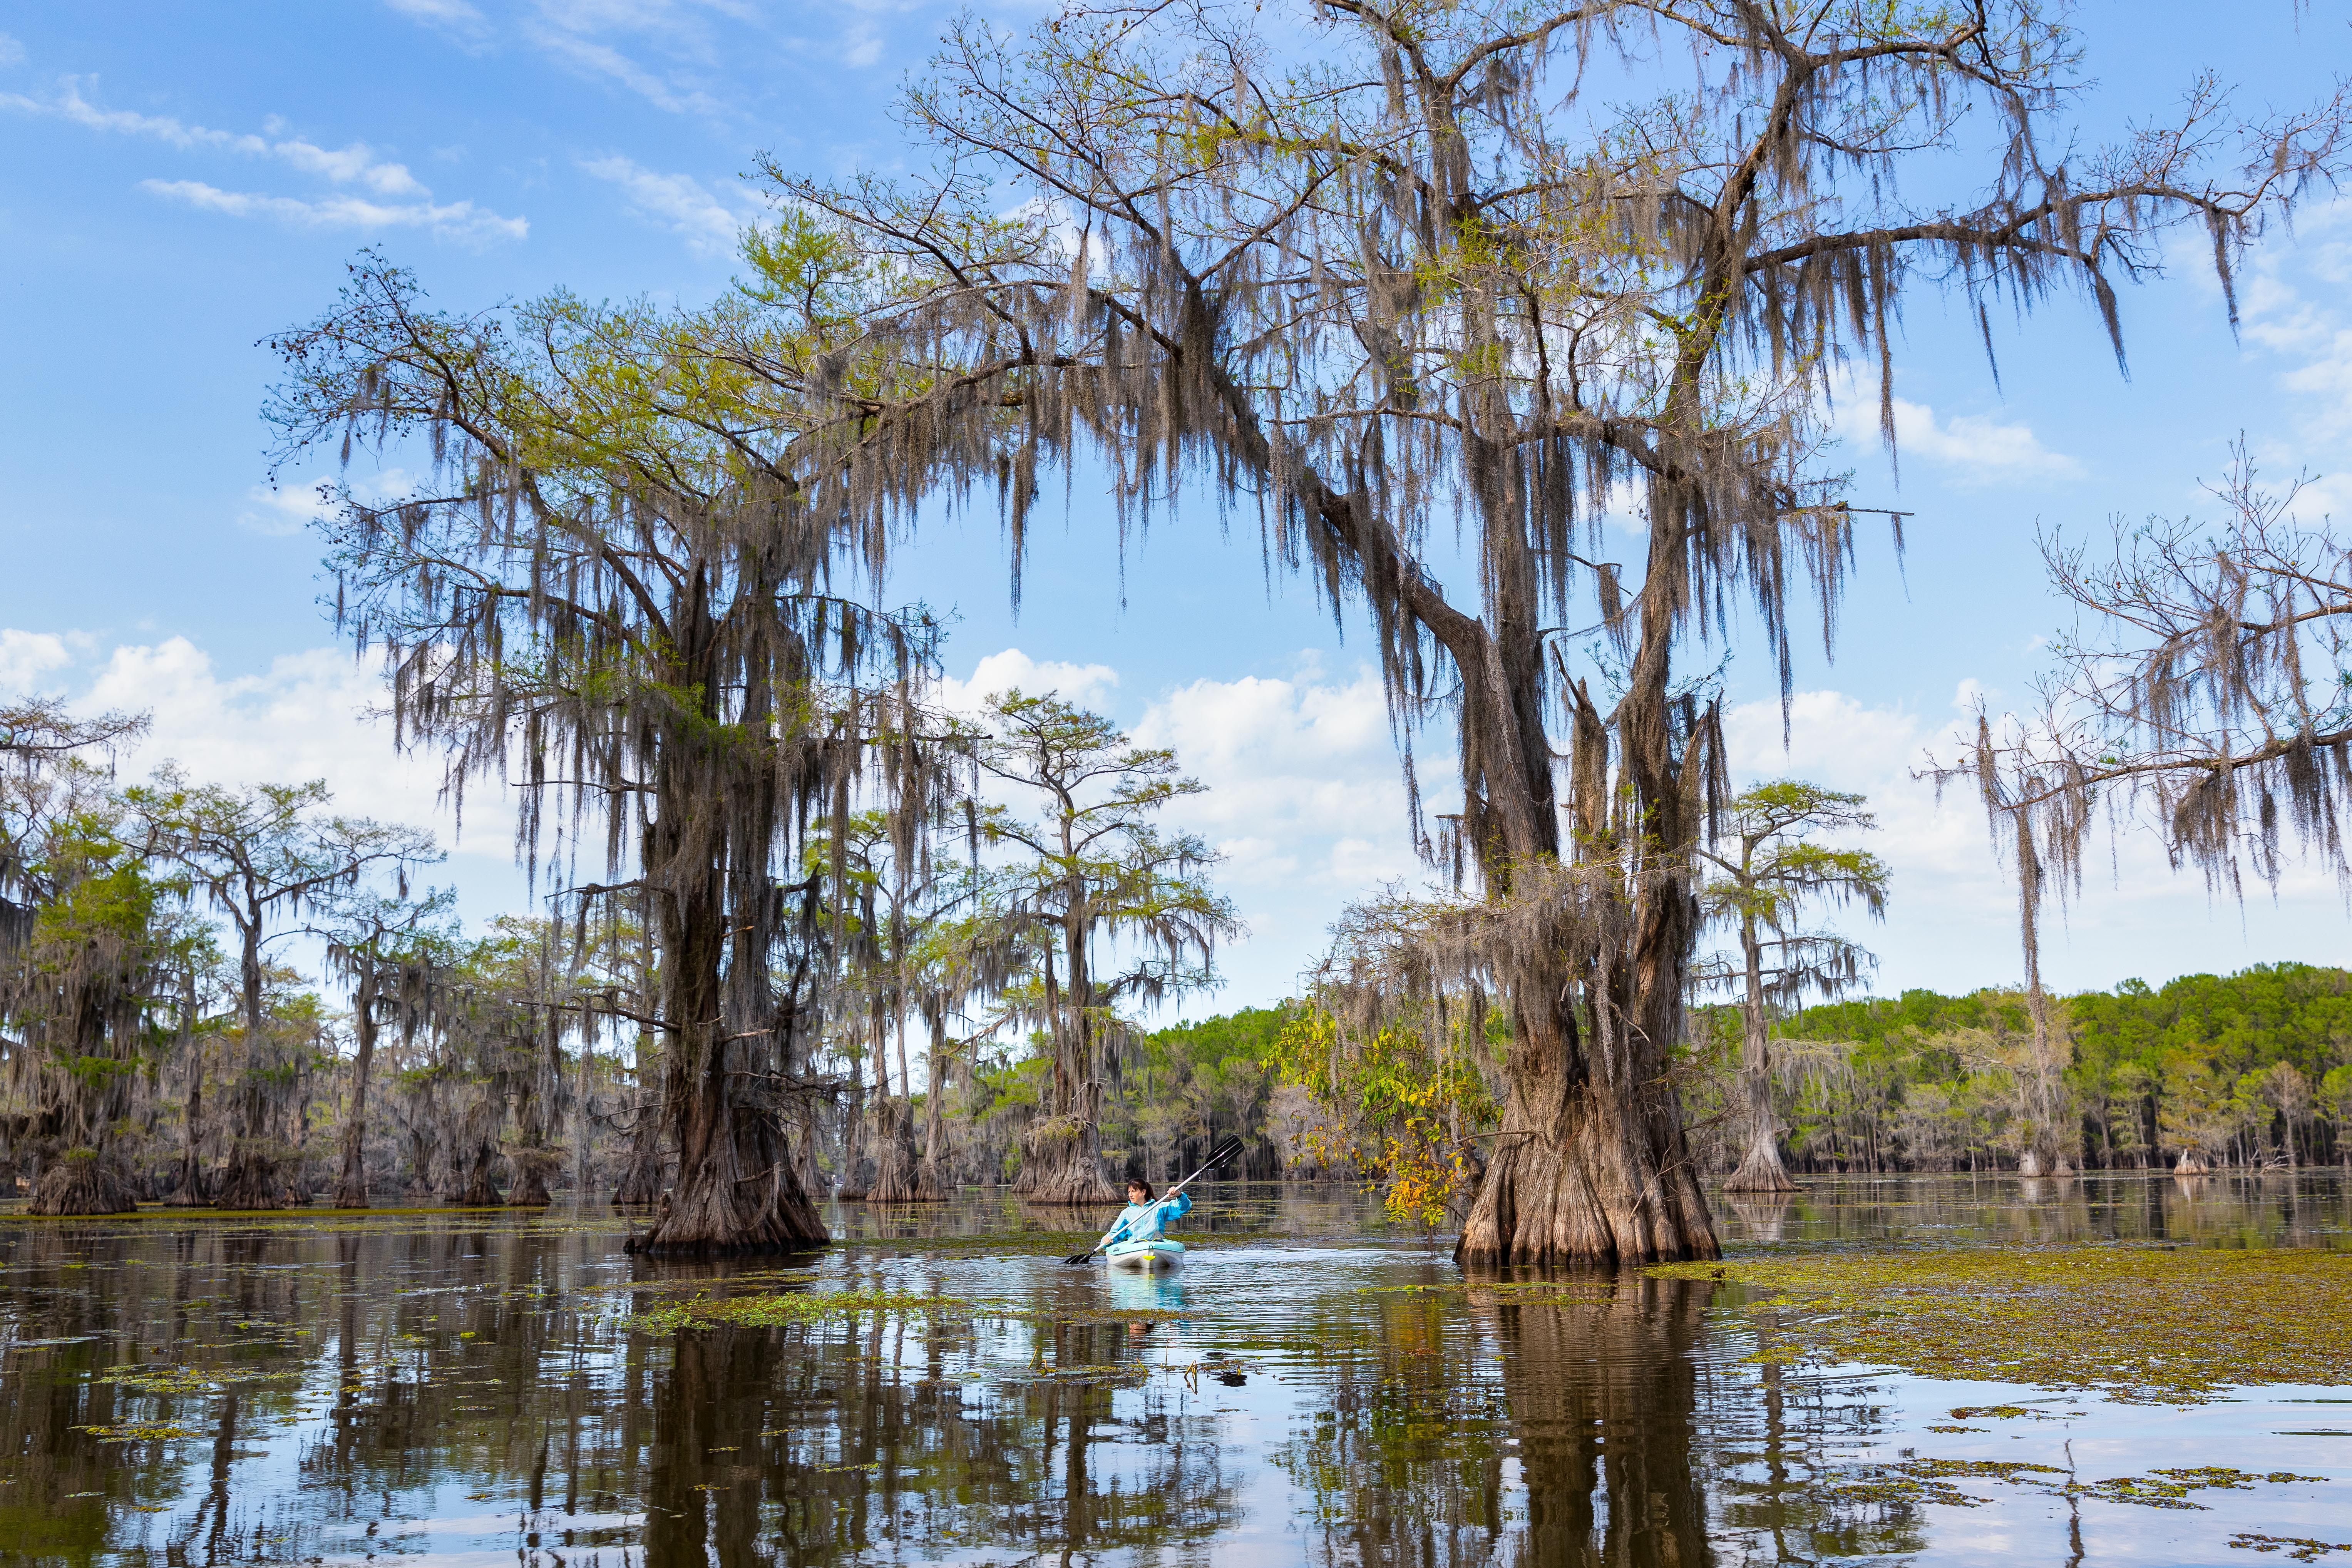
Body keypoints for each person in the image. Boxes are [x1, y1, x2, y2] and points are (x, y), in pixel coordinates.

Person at [1101, 1176, 1191, 1251]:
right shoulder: (1126, 1213)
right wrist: (1107, 1239)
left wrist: (1179, 1195)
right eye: (1129, 1192)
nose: (1130, 1195)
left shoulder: (1159, 1207)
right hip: (1134, 1247)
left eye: (1134, 1191)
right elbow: (1114, 1235)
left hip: (1156, 1244)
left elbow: (1183, 1208)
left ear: (1143, 1192)